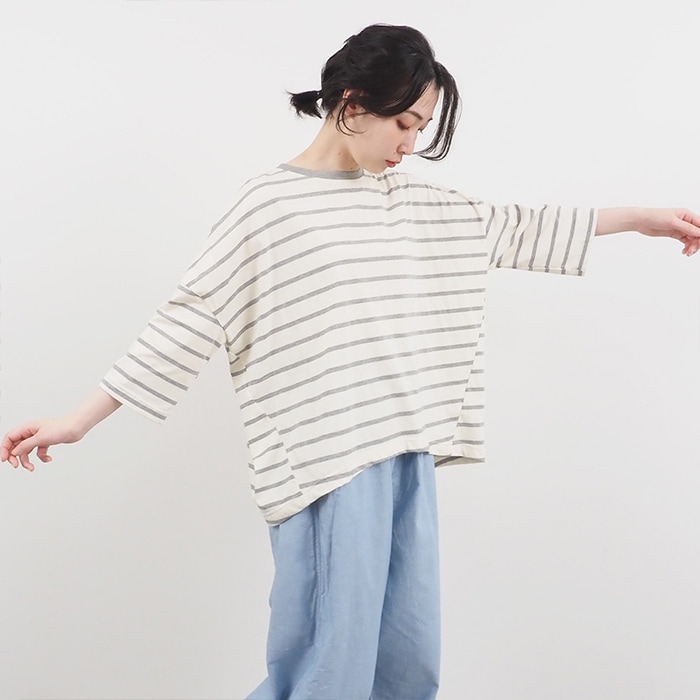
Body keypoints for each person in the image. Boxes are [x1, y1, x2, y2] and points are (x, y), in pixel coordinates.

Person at [2, 23, 699, 700]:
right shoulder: (269, 206)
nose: (411, 145)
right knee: (327, 669)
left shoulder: (410, 201)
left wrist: (641, 219)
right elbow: (190, 317)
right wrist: (78, 420)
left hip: (406, 455)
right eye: (404, 123)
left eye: (422, 128)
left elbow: (515, 226)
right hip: (325, 466)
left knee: (406, 665)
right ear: (353, 103)